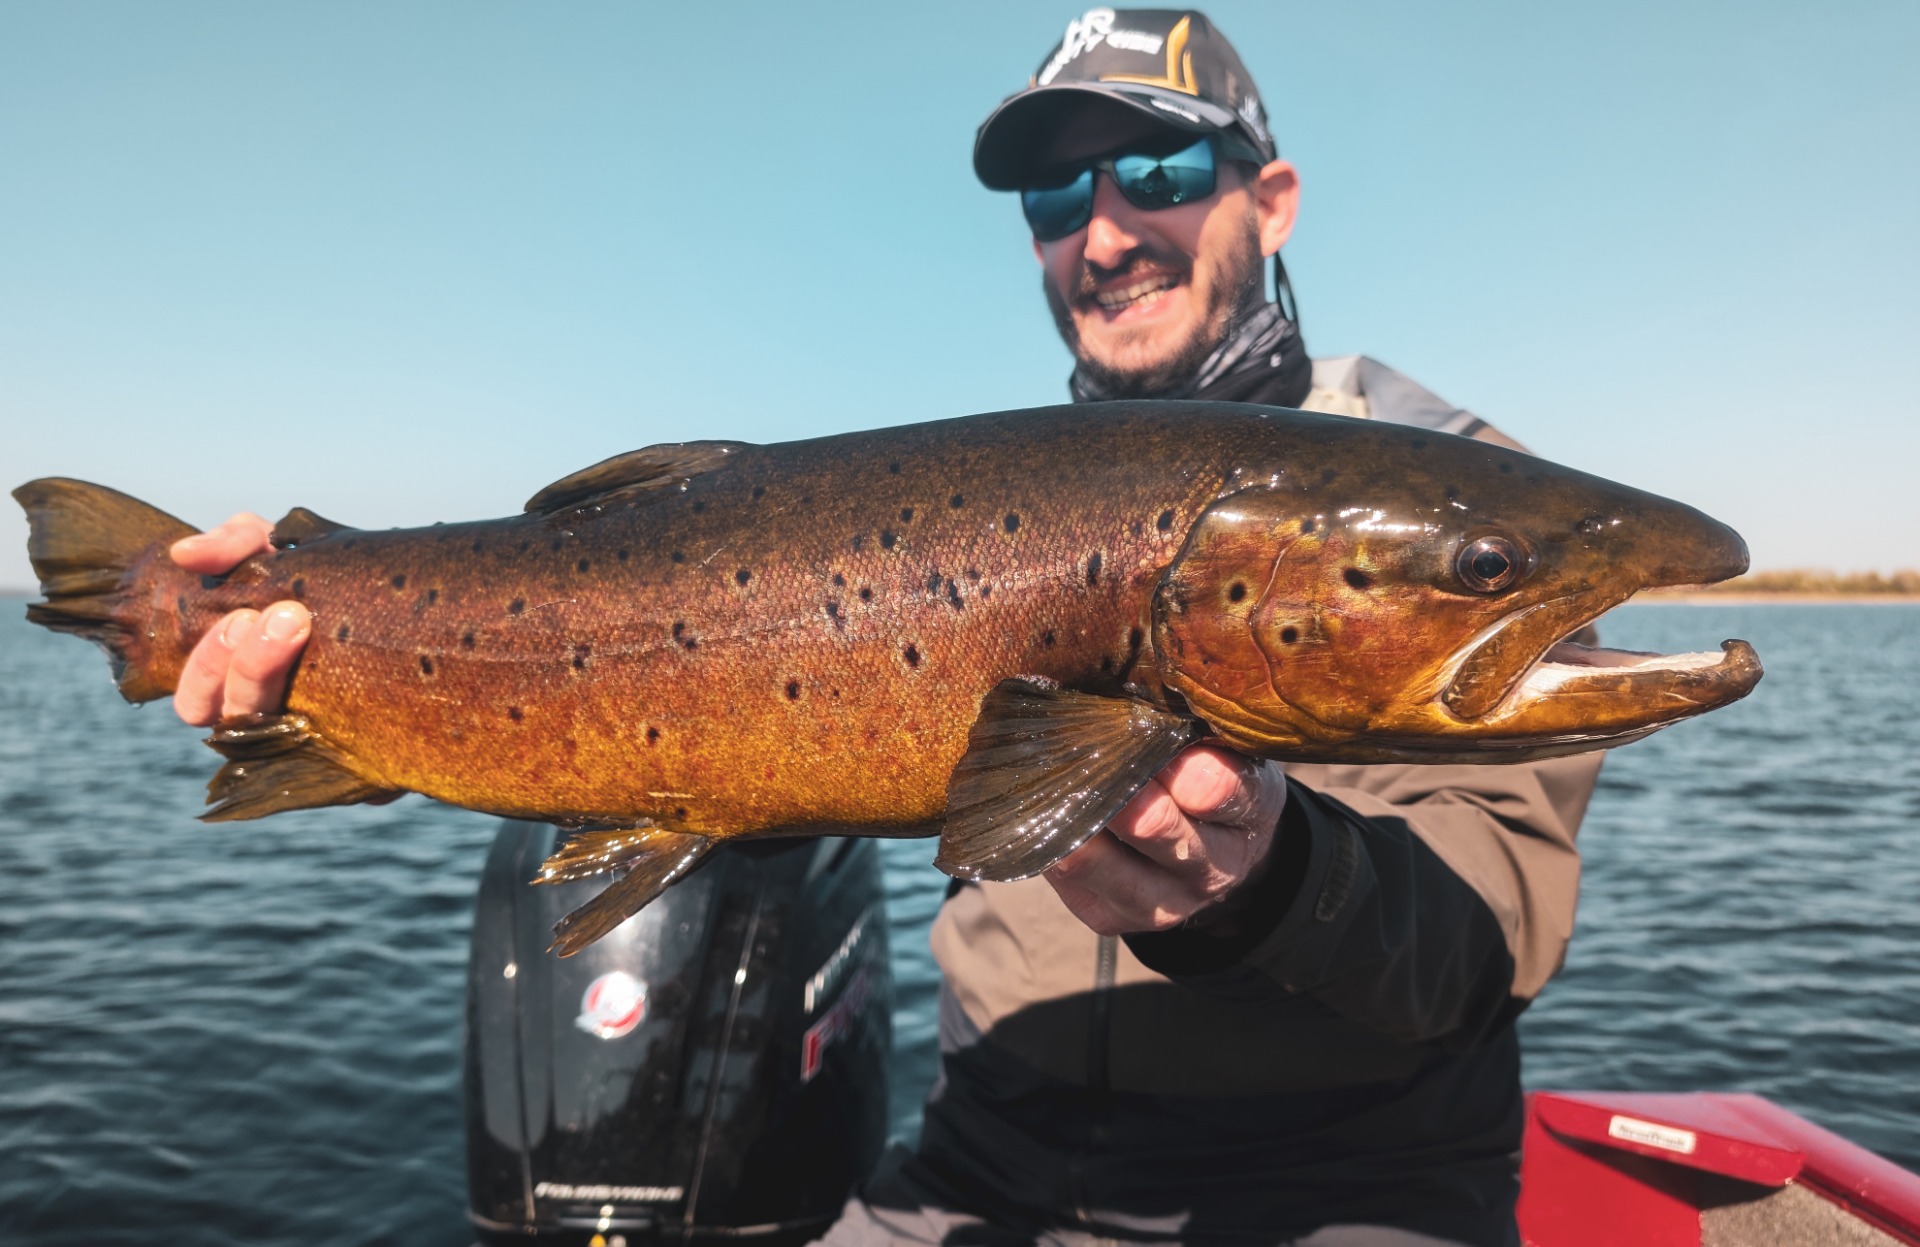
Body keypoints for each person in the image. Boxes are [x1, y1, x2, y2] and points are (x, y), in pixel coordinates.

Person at [168, 11, 1599, 1245]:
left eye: (1157, 170)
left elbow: (1490, 928)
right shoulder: (972, 495)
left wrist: (1281, 876)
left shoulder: (1462, 505)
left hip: (1348, 1183)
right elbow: (801, 758)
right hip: (985, 1160)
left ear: (1269, 198)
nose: (1103, 233)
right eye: (1054, 199)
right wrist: (302, 637)